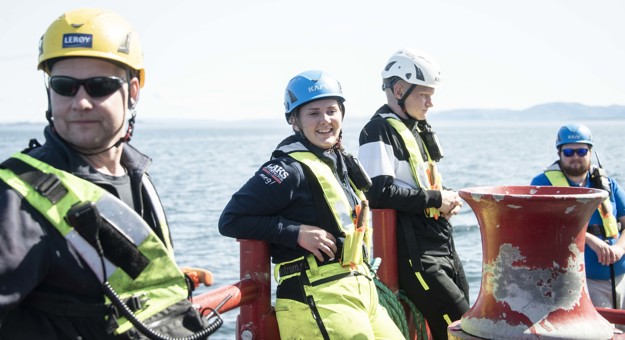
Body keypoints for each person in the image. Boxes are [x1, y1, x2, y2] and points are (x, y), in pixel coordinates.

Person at [0, 8, 216, 339]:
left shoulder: (136, 175)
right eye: (64, 86)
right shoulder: (16, 198)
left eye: (99, 86)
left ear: (132, 92)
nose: (81, 102)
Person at [219, 70, 405, 339]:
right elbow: (231, 219)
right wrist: (295, 232)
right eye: (313, 113)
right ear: (295, 121)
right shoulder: (287, 169)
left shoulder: (337, 161)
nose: (325, 120)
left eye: (332, 110)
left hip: (361, 288)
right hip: (317, 295)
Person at [358, 48, 469, 340]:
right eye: (424, 95)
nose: (431, 102)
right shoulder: (378, 130)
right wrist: (435, 200)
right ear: (398, 90)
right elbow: (378, 193)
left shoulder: (416, 128)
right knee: (460, 324)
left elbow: (415, 183)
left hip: (440, 242)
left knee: (469, 316)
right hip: (416, 254)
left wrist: (445, 197)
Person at [530, 123, 625, 330]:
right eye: (569, 151)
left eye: (582, 151)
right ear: (559, 153)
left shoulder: (608, 183)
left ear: (590, 152)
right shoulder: (541, 184)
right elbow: (538, 227)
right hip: (578, 284)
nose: (575, 156)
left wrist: (619, 248)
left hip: (621, 277)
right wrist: (589, 239)